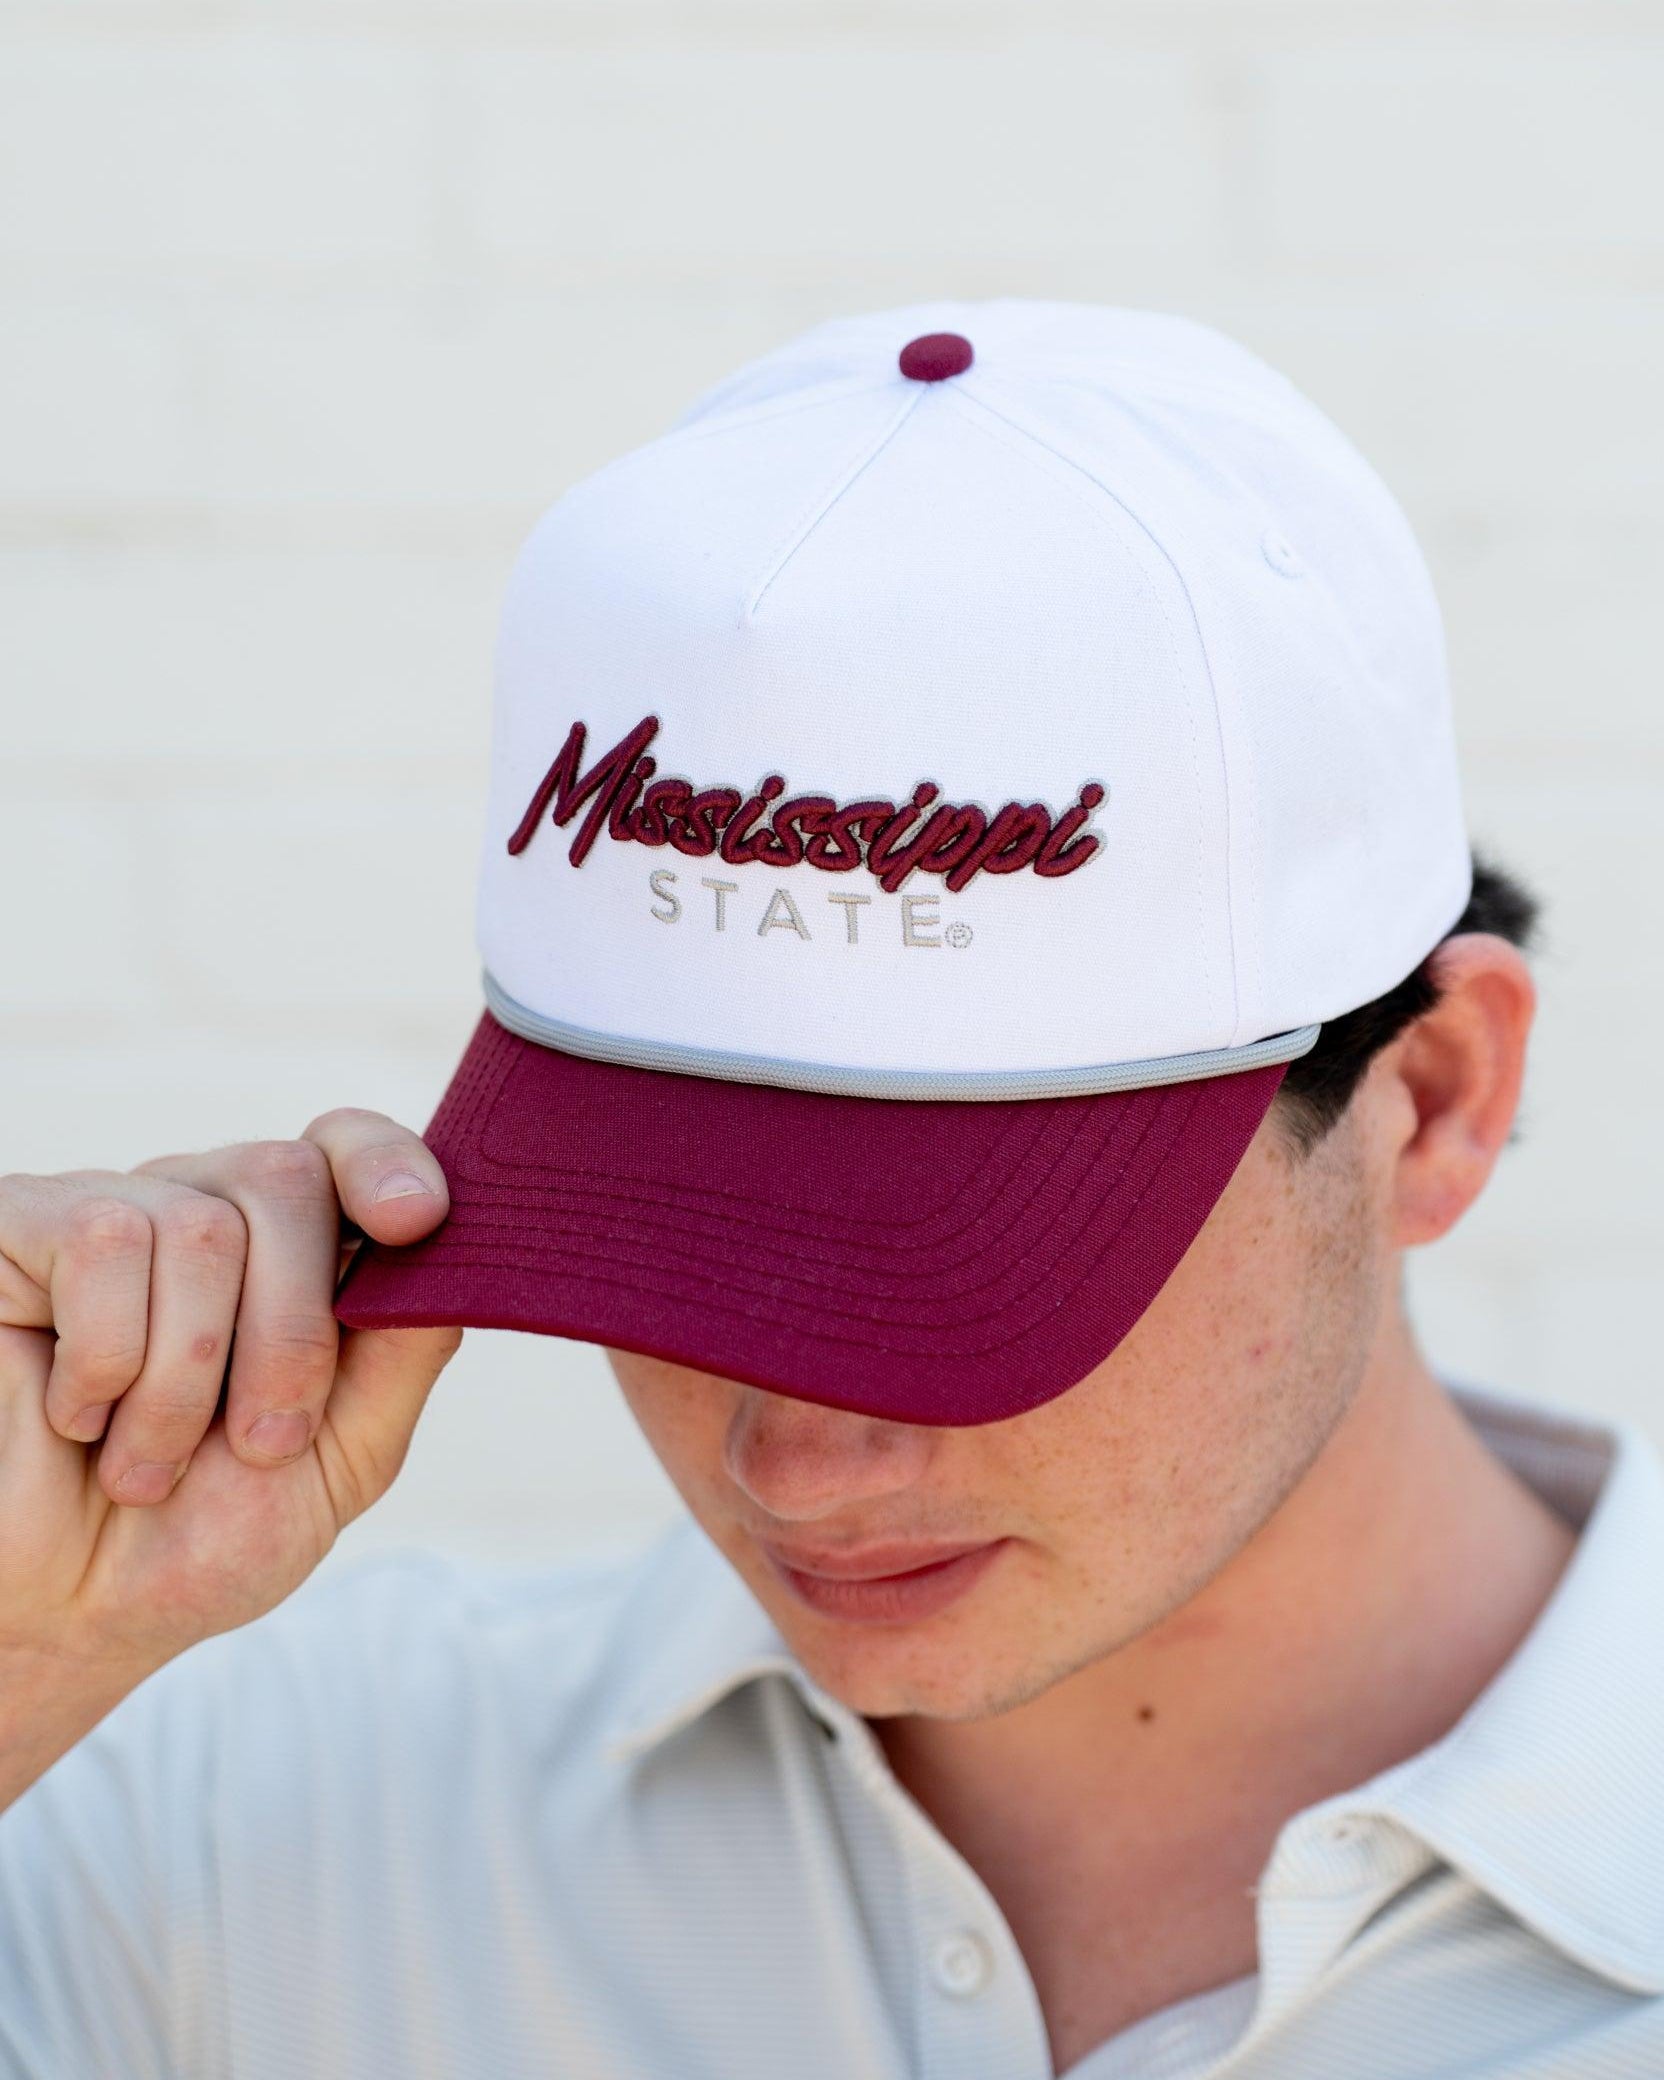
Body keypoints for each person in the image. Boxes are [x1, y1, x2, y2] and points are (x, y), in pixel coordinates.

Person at [1, 302, 1658, 2080]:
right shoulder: (232, 1830)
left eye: (954, 1278)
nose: (791, 1464)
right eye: (673, 1253)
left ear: (1436, 1096)